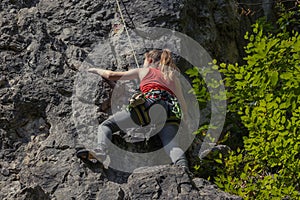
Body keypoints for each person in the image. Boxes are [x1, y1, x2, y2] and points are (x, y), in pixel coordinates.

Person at [77, 49, 189, 169]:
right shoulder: (172, 77)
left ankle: (101, 151)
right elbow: (183, 105)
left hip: (150, 103)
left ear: (149, 60)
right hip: (171, 111)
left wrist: (95, 70)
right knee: (171, 144)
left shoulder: (145, 70)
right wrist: (185, 123)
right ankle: (183, 167)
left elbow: (111, 76)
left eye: (145, 61)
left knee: (106, 125)